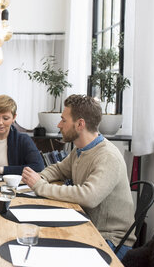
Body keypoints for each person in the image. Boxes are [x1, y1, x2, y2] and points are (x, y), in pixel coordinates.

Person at [22, 94, 135, 260]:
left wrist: (40, 186)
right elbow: (59, 170)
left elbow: (89, 196)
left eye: (63, 120)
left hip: (110, 240)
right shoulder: (80, 149)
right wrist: (39, 177)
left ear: (80, 124)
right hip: (87, 225)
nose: (59, 125)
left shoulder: (108, 156)